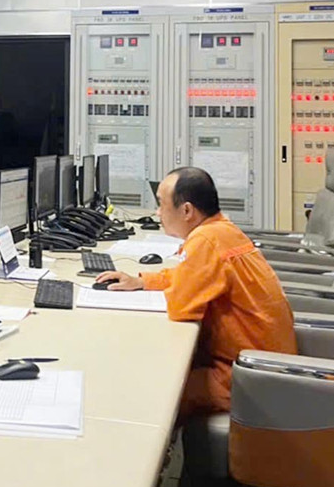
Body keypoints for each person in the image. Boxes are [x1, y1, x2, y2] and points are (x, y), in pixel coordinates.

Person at [95, 167, 297, 420]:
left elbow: (181, 308)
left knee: (154, 389)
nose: (158, 213)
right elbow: (189, 275)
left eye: (161, 204)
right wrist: (141, 281)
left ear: (187, 210)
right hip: (261, 366)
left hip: (250, 376)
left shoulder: (206, 241)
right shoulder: (221, 230)